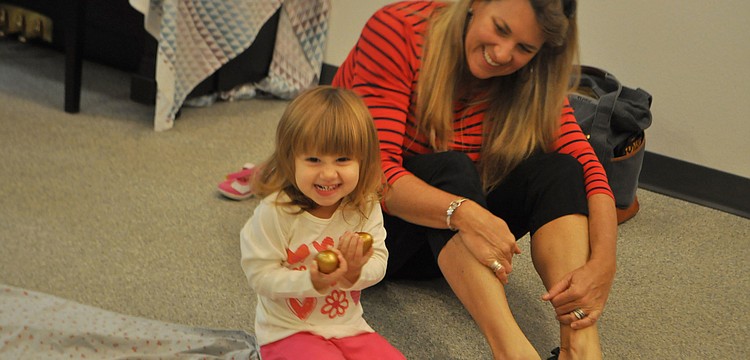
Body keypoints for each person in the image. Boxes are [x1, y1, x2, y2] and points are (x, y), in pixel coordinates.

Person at [331, 1, 616, 359]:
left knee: (561, 169)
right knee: (454, 167)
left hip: (448, 240)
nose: (502, 53)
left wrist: (603, 264)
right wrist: (464, 214)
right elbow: (375, 174)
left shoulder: (534, 72)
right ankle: (513, 353)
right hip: (365, 238)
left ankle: (582, 350)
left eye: (524, 48)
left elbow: (587, 167)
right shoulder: (398, 29)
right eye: (500, 28)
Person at [239, 86, 405, 359]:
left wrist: (354, 272)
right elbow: (259, 276)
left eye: (342, 159)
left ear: (363, 160)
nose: (328, 173)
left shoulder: (364, 204)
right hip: (286, 331)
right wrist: (311, 281)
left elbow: (379, 261)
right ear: (290, 159)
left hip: (349, 326)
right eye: (314, 160)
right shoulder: (275, 212)